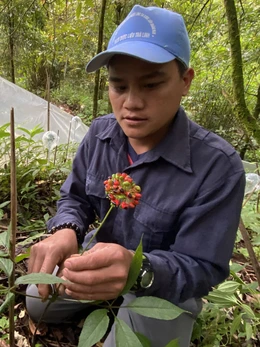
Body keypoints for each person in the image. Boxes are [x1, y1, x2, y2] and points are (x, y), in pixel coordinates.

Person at [26, 4, 245, 347]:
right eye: (118, 86)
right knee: (37, 299)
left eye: (151, 84)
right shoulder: (100, 134)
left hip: (162, 289)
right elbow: (75, 197)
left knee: (135, 341)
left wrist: (136, 270)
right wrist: (66, 229)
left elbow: (202, 267)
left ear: (185, 81)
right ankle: (102, 297)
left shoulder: (217, 167)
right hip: (97, 259)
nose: (131, 103)